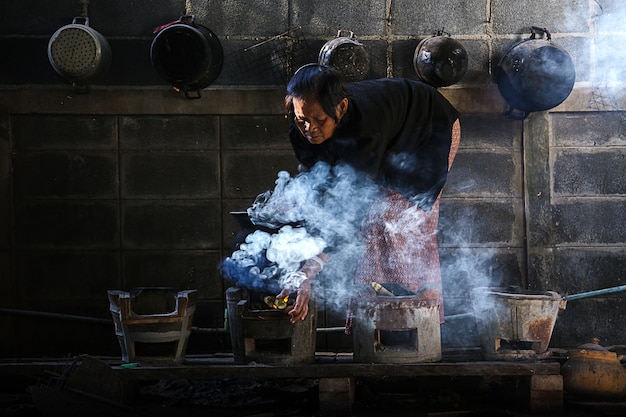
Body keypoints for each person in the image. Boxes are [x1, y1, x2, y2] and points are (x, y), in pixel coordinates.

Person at [279, 63, 461, 324]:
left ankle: (414, 322)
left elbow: (353, 208)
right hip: (388, 141)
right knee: (372, 219)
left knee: (395, 220)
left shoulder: (365, 129)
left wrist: (311, 267)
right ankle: (372, 322)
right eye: (302, 120)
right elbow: (322, 186)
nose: (310, 128)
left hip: (428, 131)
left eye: (319, 120)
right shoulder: (300, 125)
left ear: (341, 108)